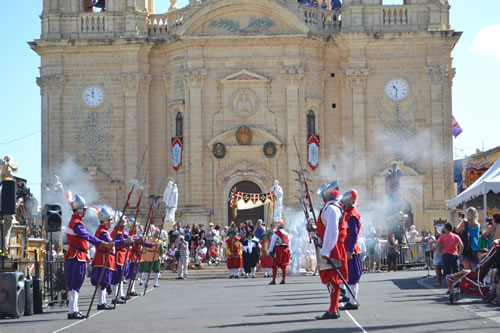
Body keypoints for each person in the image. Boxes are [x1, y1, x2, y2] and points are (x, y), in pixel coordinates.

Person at [64, 194, 114, 319]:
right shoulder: (76, 223)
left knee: (74, 285)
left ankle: (73, 309)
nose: (86, 211)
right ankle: (72, 310)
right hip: (77, 255)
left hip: (76, 254)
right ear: (79, 209)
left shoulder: (76, 222)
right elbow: (87, 236)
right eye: (84, 209)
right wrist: (102, 243)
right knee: (75, 283)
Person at [314, 181, 347, 320]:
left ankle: (333, 309)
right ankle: (333, 308)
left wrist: (326, 251)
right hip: (329, 247)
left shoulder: (332, 209)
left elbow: (332, 232)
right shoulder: (330, 208)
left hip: (332, 248)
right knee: (330, 279)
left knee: (332, 279)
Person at [91, 207, 130, 310]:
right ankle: (101, 302)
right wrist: (124, 242)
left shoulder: (104, 231)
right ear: (105, 221)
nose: (112, 222)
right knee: (102, 281)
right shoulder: (102, 232)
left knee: (104, 281)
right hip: (102, 258)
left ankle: (103, 302)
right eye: (110, 220)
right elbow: (111, 243)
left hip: (106, 258)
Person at [339, 189, 362, 311]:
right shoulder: (347, 213)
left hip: (350, 248)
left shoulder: (352, 215)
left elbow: (353, 234)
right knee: (347, 275)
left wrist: (349, 250)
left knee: (353, 275)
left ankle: (353, 301)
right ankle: (348, 297)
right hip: (345, 247)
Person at [436, 222, 463, 292]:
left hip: (445, 255)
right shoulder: (456, 236)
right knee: (456, 272)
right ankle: (458, 288)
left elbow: (437, 244)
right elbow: (461, 245)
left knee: (447, 273)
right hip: (454, 255)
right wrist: (459, 254)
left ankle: (450, 289)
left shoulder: (442, 236)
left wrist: (439, 252)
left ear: (445, 229)